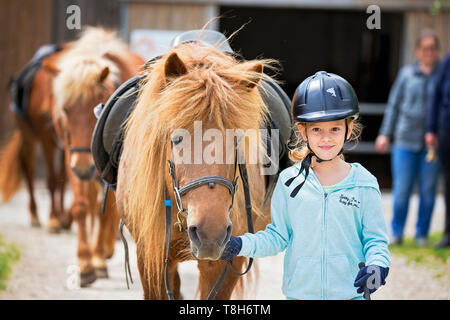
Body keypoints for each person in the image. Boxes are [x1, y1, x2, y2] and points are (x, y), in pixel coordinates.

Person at [220, 71, 391, 300]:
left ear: (349, 129)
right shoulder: (289, 182)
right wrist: (240, 244)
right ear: (303, 131)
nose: (326, 138)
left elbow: (375, 240)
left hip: (350, 295)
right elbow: (277, 237)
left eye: (335, 129)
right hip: (299, 296)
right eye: (317, 129)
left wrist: (378, 266)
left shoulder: (364, 184)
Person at [375, 29, 442, 246]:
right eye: (424, 48)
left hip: (432, 144)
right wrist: (385, 133)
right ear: (417, 50)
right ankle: (397, 233)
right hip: (404, 141)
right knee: (402, 190)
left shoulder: (443, 75)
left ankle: (422, 235)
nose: (428, 52)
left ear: (437, 51)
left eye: (432, 48)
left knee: (428, 192)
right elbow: (394, 106)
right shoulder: (406, 74)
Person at [426, 52, 450, 248]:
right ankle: (448, 233)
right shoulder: (448, 60)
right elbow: (436, 96)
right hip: (447, 131)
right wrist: (431, 129)